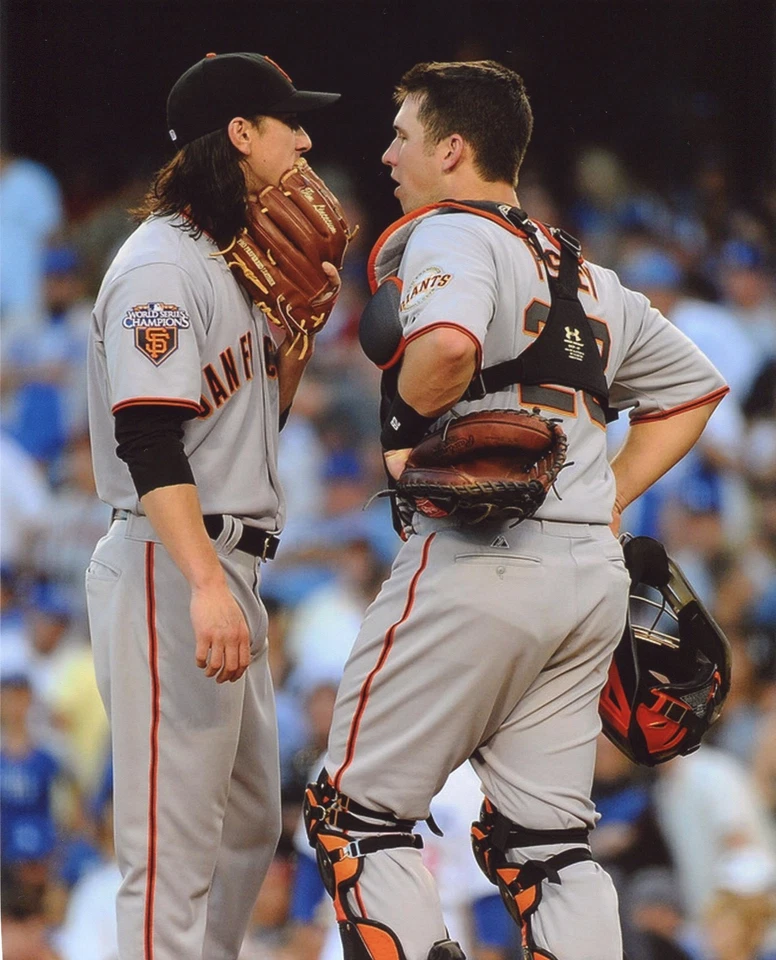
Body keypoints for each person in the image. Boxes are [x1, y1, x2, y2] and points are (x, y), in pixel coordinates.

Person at [303, 60, 728, 960]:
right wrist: (605, 495)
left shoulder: (449, 232)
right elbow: (693, 388)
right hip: (585, 578)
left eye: (404, 136)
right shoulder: (585, 271)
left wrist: (405, 429)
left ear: (452, 149)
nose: (387, 154)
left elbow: (451, 345)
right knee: (547, 845)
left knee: (354, 815)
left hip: (477, 562)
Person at [85, 52, 342, 960]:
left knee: (242, 830)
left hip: (225, 561)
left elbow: (248, 413)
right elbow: (149, 439)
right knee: (170, 850)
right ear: (240, 133)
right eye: (288, 123)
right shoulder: (160, 268)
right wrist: (201, 584)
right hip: (173, 561)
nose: (305, 141)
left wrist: (298, 335)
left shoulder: (232, 262)